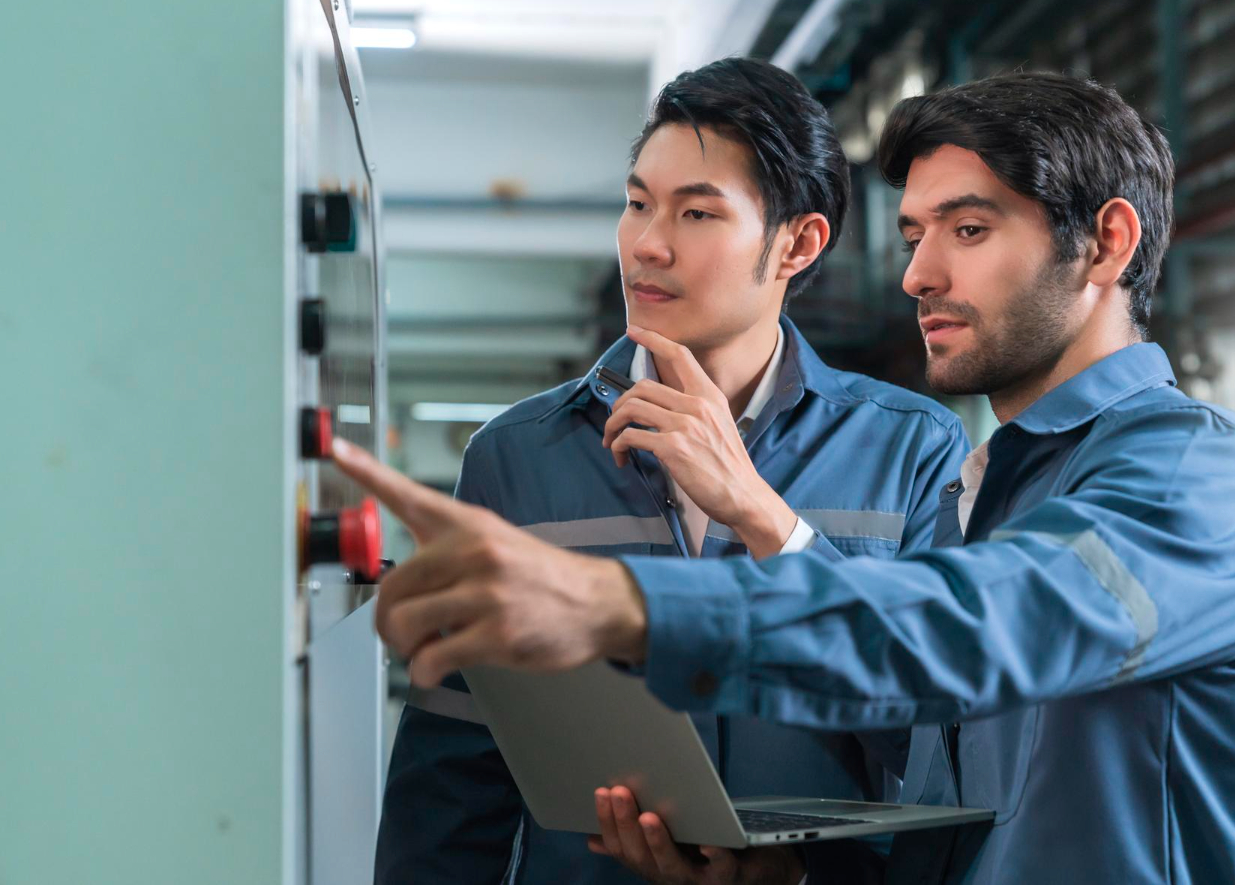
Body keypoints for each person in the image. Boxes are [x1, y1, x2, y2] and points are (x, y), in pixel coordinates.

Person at [338, 72, 1235, 883]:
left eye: (969, 230)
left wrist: (622, 601)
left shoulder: (1192, 480)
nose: (918, 275)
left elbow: (971, 628)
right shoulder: (1005, 491)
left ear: (1106, 242)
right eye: (914, 236)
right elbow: (946, 797)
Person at [371, 57, 970, 885]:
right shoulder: (517, 456)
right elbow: (448, 782)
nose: (646, 244)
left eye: (696, 212)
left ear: (797, 242)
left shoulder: (912, 450)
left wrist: (767, 517)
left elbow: (940, 741)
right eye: (637, 202)